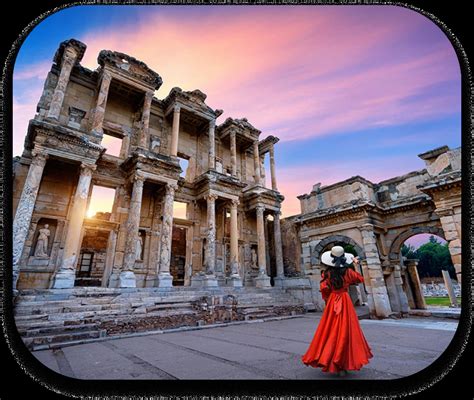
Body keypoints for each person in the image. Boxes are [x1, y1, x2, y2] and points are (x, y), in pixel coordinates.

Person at [301, 245, 373, 377]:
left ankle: (332, 360)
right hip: (345, 301)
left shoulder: (326, 273)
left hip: (333, 300)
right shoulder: (348, 272)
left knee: (330, 330)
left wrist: (328, 300)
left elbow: (324, 288)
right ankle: (344, 363)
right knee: (347, 330)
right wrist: (356, 265)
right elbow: (360, 279)